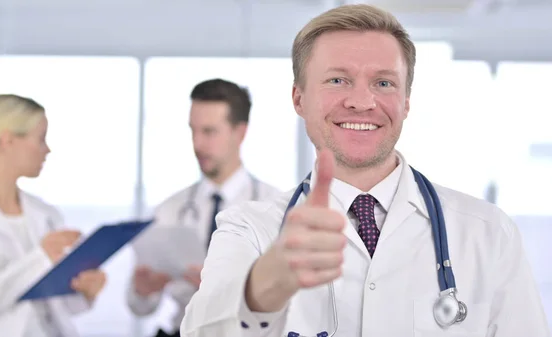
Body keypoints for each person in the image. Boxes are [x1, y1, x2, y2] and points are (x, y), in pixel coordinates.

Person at [179, 4, 550, 337]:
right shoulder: (249, 229)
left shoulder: (488, 233)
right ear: (299, 98)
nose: (360, 102)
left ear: (405, 102)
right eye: (337, 80)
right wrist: (265, 285)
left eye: (383, 83)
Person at [127, 78, 281, 337]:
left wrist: (228, 291)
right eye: (193, 130)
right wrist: (143, 290)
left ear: (240, 132)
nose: (197, 144)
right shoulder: (169, 210)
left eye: (209, 132)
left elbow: (291, 299)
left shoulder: (275, 208)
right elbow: (138, 307)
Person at [0, 94, 107, 337]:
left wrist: (84, 291)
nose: (48, 149)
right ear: (8, 140)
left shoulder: (45, 214)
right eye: (41, 139)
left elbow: (56, 306)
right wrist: (39, 258)